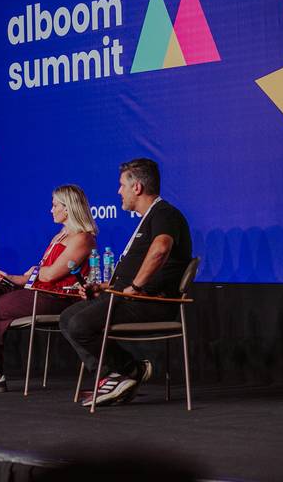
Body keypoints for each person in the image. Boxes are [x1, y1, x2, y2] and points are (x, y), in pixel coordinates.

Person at [59, 158, 192, 407]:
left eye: (122, 185)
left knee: (80, 324)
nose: (119, 191)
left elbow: (161, 249)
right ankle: (123, 373)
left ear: (137, 187)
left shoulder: (165, 214)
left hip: (150, 301)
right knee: (67, 318)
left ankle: (121, 374)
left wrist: (136, 287)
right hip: (127, 296)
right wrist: (104, 287)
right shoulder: (149, 217)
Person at [0, 184, 97, 393]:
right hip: (35, 290)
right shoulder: (58, 236)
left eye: (54, 205)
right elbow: (35, 275)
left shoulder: (83, 238)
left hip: (56, 297)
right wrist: (9, 277)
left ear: (67, 208)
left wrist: (33, 271)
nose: (51, 209)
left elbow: (49, 275)